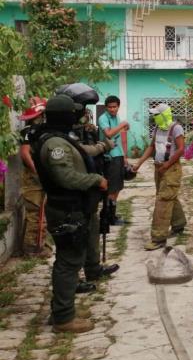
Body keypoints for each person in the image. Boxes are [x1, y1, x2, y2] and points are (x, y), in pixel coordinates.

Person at [32, 94, 108, 333]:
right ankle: (63, 318)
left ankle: (62, 310)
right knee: (68, 261)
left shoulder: (60, 139)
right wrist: (95, 179)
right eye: (73, 113)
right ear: (64, 116)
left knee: (70, 260)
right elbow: (65, 177)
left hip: (73, 207)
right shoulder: (54, 144)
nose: (78, 116)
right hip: (66, 209)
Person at [56, 84, 120, 291]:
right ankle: (72, 282)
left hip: (88, 190)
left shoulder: (83, 130)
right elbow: (84, 152)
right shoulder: (60, 135)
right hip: (73, 196)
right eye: (81, 107)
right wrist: (103, 146)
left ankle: (93, 268)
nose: (84, 112)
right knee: (75, 241)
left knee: (93, 228)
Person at [133, 104, 187, 251]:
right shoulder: (157, 128)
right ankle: (179, 224)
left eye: (157, 114)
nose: (154, 117)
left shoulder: (176, 128)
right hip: (159, 168)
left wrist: (167, 164)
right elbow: (151, 147)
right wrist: (139, 163)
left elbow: (181, 149)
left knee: (163, 200)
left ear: (164, 115)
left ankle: (158, 238)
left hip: (171, 169)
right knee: (168, 196)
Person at [18, 97, 52, 257]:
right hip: (33, 180)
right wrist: (37, 172)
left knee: (40, 213)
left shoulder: (40, 131)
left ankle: (39, 244)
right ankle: (33, 250)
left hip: (38, 177)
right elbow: (25, 154)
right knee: (36, 215)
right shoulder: (28, 132)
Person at [97, 95, 129, 225]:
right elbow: (109, 134)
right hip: (109, 157)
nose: (112, 109)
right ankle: (108, 217)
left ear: (118, 107)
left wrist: (124, 156)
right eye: (110, 107)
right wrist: (122, 125)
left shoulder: (117, 118)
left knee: (117, 187)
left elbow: (121, 137)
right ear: (106, 107)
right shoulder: (103, 118)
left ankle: (112, 215)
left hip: (118, 155)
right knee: (111, 188)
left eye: (114, 107)